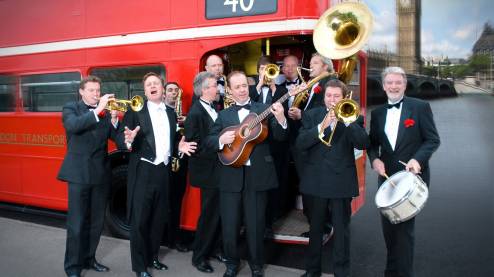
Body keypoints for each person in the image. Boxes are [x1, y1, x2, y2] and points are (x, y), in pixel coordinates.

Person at [205, 71, 288, 277]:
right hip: (230, 176)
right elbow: (209, 141)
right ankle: (231, 264)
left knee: (256, 226)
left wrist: (281, 118)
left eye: (244, 86)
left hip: (257, 176)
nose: (242, 90)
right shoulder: (223, 115)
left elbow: (280, 136)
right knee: (230, 226)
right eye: (237, 87)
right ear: (231, 92)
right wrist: (220, 141)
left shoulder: (263, 109)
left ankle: (256, 266)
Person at [121, 72, 197, 277]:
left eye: (156, 83)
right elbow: (123, 137)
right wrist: (128, 139)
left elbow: (170, 140)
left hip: (163, 172)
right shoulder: (136, 110)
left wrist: (179, 145)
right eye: (148, 84)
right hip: (144, 171)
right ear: (145, 91)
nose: (152, 86)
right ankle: (139, 266)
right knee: (140, 221)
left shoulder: (170, 113)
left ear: (162, 88)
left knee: (158, 218)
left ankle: (153, 258)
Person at [368, 66, 440, 277]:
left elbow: (432, 139)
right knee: (389, 231)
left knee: (403, 233)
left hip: (411, 179)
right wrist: (374, 160)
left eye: (398, 82)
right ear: (383, 85)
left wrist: (417, 160)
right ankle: (391, 272)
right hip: (387, 180)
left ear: (405, 84)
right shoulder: (379, 113)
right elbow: (373, 144)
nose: (393, 86)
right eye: (389, 82)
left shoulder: (420, 107)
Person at [296, 79, 369, 277]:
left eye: (336, 96)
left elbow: (363, 143)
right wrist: (321, 126)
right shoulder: (312, 116)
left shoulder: (354, 116)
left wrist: (348, 122)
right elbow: (301, 144)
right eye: (329, 95)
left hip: (340, 181)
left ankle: (341, 272)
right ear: (324, 97)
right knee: (316, 229)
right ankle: (312, 271)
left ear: (344, 97)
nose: (332, 100)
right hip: (316, 180)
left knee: (342, 232)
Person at [57, 75, 120, 277]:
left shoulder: (103, 112)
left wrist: (118, 125)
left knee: (96, 223)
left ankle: (89, 259)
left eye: (98, 90)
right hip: (78, 174)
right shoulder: (71, 108)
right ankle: (73, 267)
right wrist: (99, 110)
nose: (96, 94)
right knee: (76, 224)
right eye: (92, 90)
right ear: (82, 92)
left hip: (100, 174)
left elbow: (118, 140)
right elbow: (73, 126)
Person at [287, 52, 334, 237]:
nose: (310, 65)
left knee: (313, 187)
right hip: (305, 143)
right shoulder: (314, 83)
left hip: (313, 145)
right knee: (308, 185)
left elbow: (325, 112)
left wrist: (301, 115)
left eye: (315, 62)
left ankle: (320, 226)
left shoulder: (327, 84)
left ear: (325, 67)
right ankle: (317, 224)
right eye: (311, 62)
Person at [184, 71, 223, 273]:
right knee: (208, 216)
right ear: (204, 89)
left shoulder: (213, 107)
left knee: (217, 214)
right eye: (215, 85)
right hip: (207, 172)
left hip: (217, 171)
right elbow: (194, 146)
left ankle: (214, 249)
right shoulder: (196, 113)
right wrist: (219, 144)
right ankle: (199, 257)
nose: (218, 88)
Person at [162, 81, 191, 253]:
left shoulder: (182, 114)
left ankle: (173, 239)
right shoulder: (160, 112)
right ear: (164, 94)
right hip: (164, 164)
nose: (173, 93)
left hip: (180, 163)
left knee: (176, 202)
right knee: (163, 202)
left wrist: (185, 124)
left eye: (176, 91)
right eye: (170, 90)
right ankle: (162, 237)